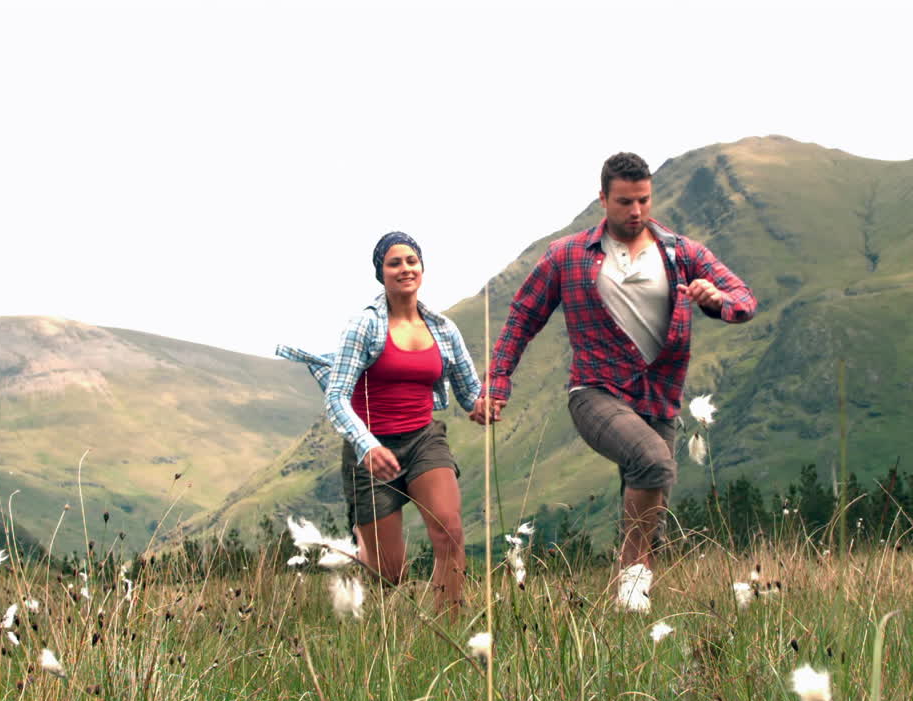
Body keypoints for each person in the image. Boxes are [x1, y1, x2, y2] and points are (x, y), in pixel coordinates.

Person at [471, 152, 758, 591]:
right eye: (624, 201)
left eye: (643, 200)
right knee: (653, 460)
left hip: (658, 400)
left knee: (653, 515)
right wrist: (498, 384)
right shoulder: (566, 255)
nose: (636, 211)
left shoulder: (682, 253)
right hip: (595, 392)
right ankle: (628, 586)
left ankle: (630, 610)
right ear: (603, 199)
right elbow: (522, 316)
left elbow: (744, 299)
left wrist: (718, 300)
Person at [278, 231, 481, 615]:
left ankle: (450, 626)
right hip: (370, 450)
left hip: (424, 439)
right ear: (381, 274)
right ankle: (361, 550)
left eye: (411, 261)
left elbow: (471, 393)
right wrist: (367, 445)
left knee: (449, 534)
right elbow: (336, 397)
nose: (405, 269)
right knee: (389, 573)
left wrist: (486, 404)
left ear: (422, 267)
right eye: (394, 263)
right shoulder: (365, 326)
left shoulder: (444, 330)